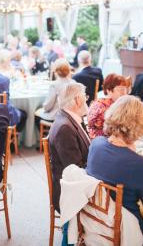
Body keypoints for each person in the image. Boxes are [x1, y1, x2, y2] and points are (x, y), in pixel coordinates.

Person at [86, 95, 143, 244]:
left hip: (95, 223)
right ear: (140, 125)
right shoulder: (139, 164)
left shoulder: (96, 144)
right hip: (125, 231)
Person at [48, 82, 91, 212]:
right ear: (78, 100)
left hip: (76, 181)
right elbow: (75, 169)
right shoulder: (65, 128)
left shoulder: (68, 118)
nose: (87, 100)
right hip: (70, 192)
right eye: (85, 96)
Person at [87, 74, 128, 139]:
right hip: (103, 143)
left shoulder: (117, 103)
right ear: (108, 90)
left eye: (125, 89)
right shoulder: (100, 107)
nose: (124, 93)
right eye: (120, 89)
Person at [35, 58, 74, 125]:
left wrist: (43, 108)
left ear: (56, 71)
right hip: (70, 117)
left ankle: (49, 134)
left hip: (56, 117)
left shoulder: (55, 85)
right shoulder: (74, 83)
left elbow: (48, 105)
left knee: (36, 116)